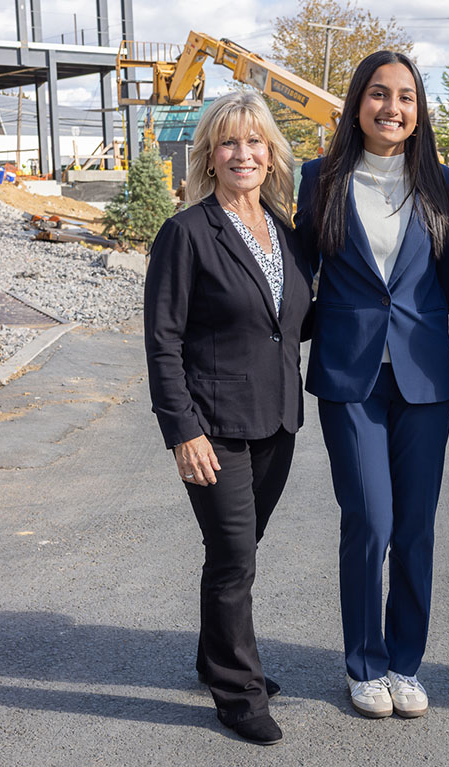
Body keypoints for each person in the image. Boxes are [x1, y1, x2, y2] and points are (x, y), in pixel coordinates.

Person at [294, 50, 449, 720]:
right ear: (356, 103)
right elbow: (296, 270)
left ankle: (405, 662)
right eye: (378, 94)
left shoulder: (445, 185)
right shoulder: (321, 179)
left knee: (416, 527)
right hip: (350, 373)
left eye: (405, 97)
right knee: (370, 517)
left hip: (424, 376)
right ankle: (364, 663)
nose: (392, 108)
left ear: (419, 110)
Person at [143, 91, 312, 746]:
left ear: (271, 155)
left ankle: (215, 656)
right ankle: (237, 690)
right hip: (212, 426)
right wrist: (181, 429)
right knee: (235, 554)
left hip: (277, 420)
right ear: (209, 156)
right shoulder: (186, 233)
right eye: (229, 142)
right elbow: (163, 340)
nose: (243, 154)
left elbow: (292, 323)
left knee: (237, 551)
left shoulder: (285, 232)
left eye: (255, 142)